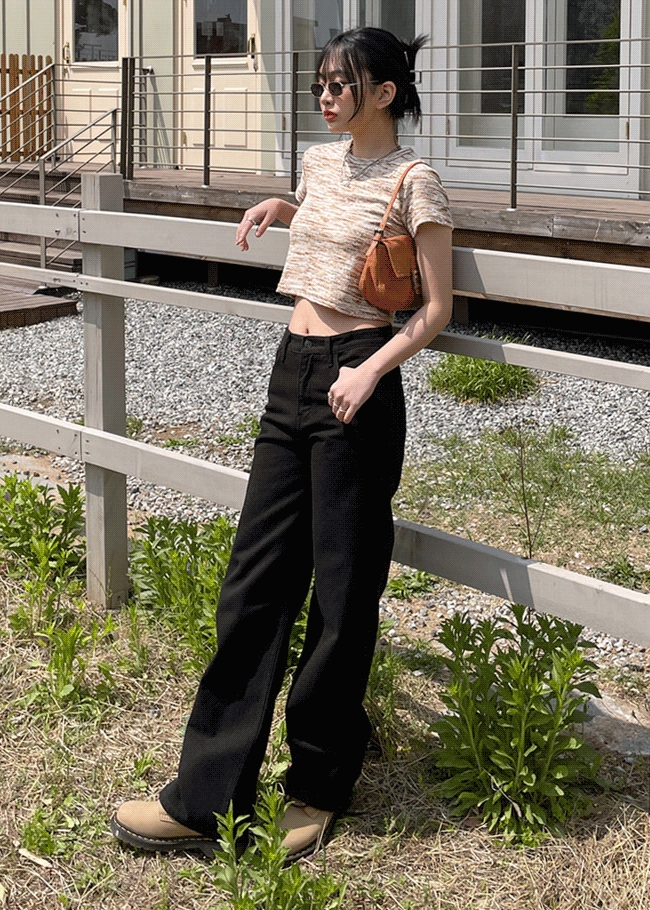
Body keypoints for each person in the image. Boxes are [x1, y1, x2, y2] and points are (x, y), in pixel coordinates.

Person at [110, 26, 453, 863]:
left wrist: (371, 370)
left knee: (340, 597)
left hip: (357, 383)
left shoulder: (417, 181)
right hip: (291, 373)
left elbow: (438, 310)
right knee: (253, 586)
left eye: (342, 84)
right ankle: (203, 799)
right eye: (320, 84)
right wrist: (285, 209)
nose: (326, 96)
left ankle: (319, 786)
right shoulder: (318, 162)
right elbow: (337, 223)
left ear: (384, 93)